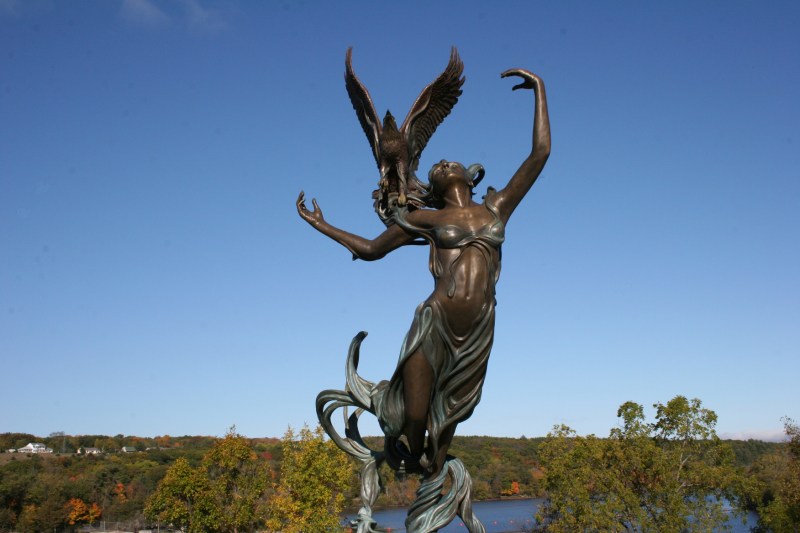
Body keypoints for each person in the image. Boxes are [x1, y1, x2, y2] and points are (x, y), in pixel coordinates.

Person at [297, 68, 550, 479]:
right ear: (433, 185)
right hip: (434, 320)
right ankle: (406, 451)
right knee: (415, 417)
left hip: (477, 327)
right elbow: (371, 249)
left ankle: (432, 474)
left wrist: (540, 89)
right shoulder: (425, 217)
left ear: (470, 176)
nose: (443, 162)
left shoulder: (496, 207)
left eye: (450, 162)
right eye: (436, 166)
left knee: (450, 418)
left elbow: (539, 154)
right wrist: (322, 225)